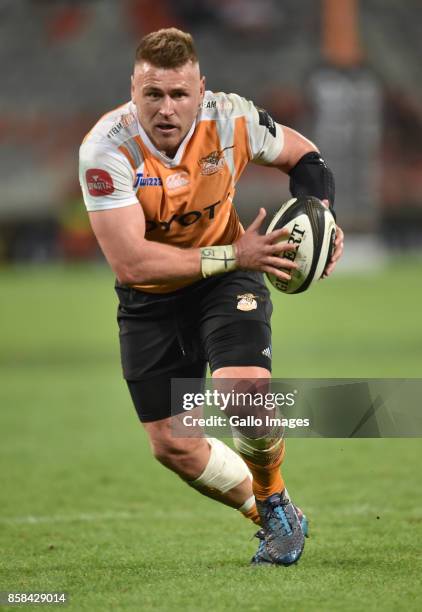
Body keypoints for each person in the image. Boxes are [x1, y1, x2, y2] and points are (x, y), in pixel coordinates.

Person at [79, 27, 344, 566]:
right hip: (151, 297)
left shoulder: (232, 118)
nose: (167, 108)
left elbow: (304, 157)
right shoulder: (105, 149)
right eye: (153, 94)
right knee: (173, 444)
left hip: (226, 282)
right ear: (133, 90)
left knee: (243, 392)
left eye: (179, 94)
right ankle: (274, 509)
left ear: (203, 89)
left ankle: (272, 501)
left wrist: (323, 215)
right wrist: (238, 254)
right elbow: (132, 261)